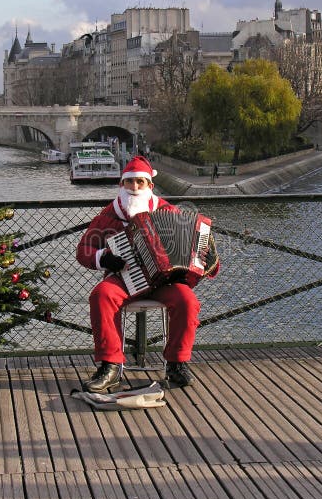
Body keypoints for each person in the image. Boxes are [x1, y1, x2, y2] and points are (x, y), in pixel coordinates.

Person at [76, 156, 219, 393]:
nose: (134, 188)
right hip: (124, 278)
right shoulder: (108, 215)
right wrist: (104, 257)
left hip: (165, 281)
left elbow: (200, 252)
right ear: (121, 185)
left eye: (140, 183)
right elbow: (83, 251)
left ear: (150, 186)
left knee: (187, 301)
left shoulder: (168, 211)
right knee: (101, 296)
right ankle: (110, 366)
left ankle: (177, 363)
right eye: (129, 183)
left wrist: (210, 260)